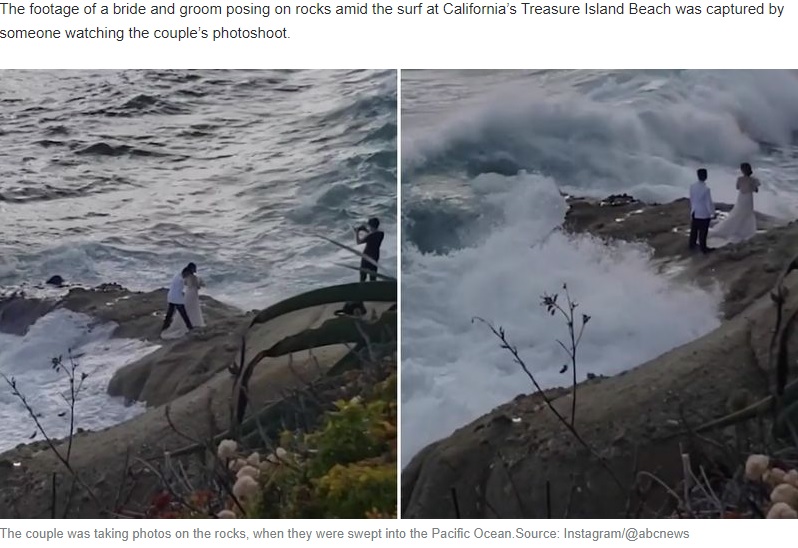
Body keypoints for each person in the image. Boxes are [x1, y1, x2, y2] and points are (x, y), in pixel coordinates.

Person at [709, 162, 761, 244]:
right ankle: (746, 230)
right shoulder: (753, 180)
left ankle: (733, 228)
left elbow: (737, 187)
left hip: (741, 197)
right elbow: (756, 190)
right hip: (748, 198)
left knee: (737, 212)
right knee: (748, 213)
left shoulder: (739, 179)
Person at [161, 262, 196, 337]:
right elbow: (188, 284)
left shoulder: (177, 275)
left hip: (170, 296)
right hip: (177, 298)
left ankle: (164, 327)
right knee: (184, 314)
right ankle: (190, 328)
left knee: (170, 313)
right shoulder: (182, 279)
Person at [688, 168, 715, 254]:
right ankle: (703, 248)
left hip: (695, 211)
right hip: (703, 213)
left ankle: (691, 245)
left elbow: (691, 199)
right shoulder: (706, 189)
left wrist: (692, 209)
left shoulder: (692, 186)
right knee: (703, 231)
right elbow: (708, 202)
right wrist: (712, 212)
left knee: (694, 230)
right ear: (705, 176)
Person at [354, 217, 384, 282]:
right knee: (373, 278)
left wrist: (357, 232)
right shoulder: (381, 234)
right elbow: (373, 234)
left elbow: (358, 242)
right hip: (375, 257)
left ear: (371, 226)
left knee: (363, 277)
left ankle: (362, 289)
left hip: (366, 257)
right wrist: (366, 231)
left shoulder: (370, 235)